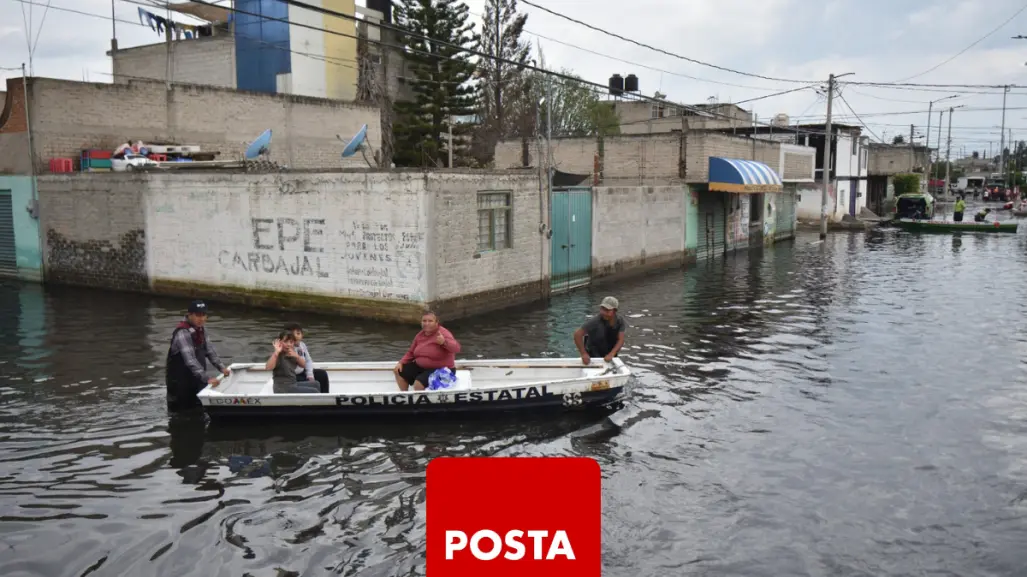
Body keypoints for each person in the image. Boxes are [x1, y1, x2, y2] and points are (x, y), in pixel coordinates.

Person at [165, 300, 230, 412]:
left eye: (204, 315)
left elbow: (210, 351)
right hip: (180, 384)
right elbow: (190, 360)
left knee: (198, 411)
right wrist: (207, 378)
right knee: (181, 415)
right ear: (190, 315)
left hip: (196, 380)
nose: (201, 319)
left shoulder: (202, 330)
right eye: (198, 315)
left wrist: (222, 368)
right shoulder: (182, 333)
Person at [394, 310, 461, 391]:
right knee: (398, 371)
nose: (427, 323)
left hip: (442, 369)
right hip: (422, 367)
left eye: (430, 321)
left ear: (437, 322)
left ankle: (420, 401)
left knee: (418, 383)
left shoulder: (443, 333)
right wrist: (401, 362)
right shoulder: (420, 335)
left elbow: (456, 348)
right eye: (424, 321)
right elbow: (411, 352)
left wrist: (444, 342)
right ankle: (405, 396)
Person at [574, 296, 627, 365]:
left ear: (614, 311)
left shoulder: (620, 321)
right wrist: (583, 353)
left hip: (609, 353)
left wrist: (612, 354)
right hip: (593, 354)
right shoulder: (595, 321)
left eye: (607, 310)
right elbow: (577, 334)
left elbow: (621, 340)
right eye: (602, 309)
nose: (604, 312)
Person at [283, 322, 330, 393]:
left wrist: (310, 375)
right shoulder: (287, 348)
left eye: (298, 333)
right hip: (292, 377)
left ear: (302, 335)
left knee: (322, 374)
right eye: (293, 334)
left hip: (302, 372)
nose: (296, 336)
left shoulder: (302, 345)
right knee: (312, 386)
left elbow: (308, 361)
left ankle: (325, 396)